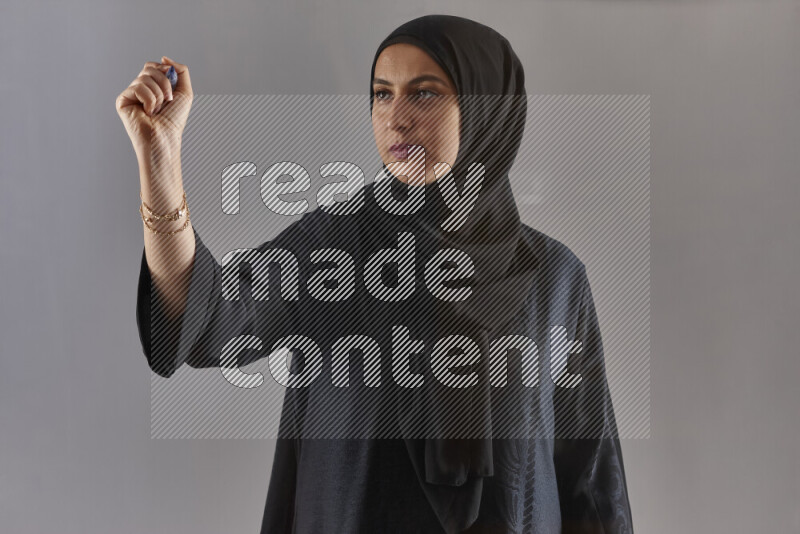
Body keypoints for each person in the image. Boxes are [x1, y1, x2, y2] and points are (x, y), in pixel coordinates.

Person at [117, 14, 634, 533]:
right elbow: (211, 319)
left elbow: (589, 486)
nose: (396, 118)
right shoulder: (334, 247)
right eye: (382, 94)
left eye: (425, 94)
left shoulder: (555, 279)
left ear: (485, 109)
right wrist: (159, 160)